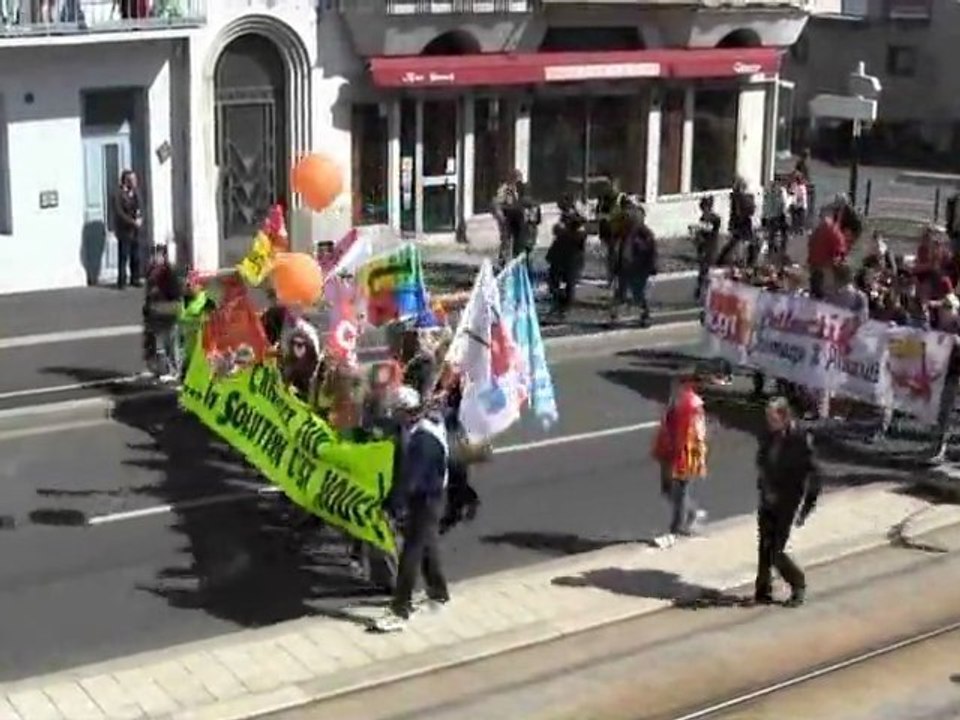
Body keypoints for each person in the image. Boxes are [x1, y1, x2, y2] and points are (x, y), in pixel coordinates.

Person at [373, 386, 450, 632]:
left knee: (411, 552)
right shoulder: (421, 427)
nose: (394, 417)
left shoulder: (423, 440)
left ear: (406, 412)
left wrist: (394, 506)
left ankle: (400, 608)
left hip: (427, 496)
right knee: (427, 542)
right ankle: (438, 593)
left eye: (396, 412)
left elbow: (410, 479)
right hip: (431, 493)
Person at [754, 397, 822, 607]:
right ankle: (763, 588)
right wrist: (764, 486)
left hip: (788, 501)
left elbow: (815, 473)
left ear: (784, 417)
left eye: (772, 418)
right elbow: (762, 460)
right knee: (764, 546)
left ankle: (798, 583)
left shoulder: (801, 438)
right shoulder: (768, 435)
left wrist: (808, 505)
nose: (768, 422)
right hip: (768, 497)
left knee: (778, 551)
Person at [652, 373, 708, 548]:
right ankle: (692, 513)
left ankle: (673, 532)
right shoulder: (675, 401)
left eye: (678, 383)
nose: (674, 387)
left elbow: (696, 434)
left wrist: (692, 456)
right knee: (668, 489)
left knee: (679, 494)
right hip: (668, 451)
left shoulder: (692, 405)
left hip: (684, 454)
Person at [610, 199, 657, 327]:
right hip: (625, 266)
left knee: (637, 293)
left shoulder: (644, 233)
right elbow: (615, 247)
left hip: (638, 267)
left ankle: (645, 315)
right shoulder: (623, 233)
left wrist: (651, 265)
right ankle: (614, 316)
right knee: (621, 292)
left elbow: (651, 250)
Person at [142, 244, 182, 382]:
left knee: (170, 342)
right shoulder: (152, 272)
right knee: (155, 343)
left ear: (164, 257)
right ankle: (158, 368)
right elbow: (148, 294)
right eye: (153, 255)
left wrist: (161, 295)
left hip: (167, 311)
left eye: (157, 255)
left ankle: (174, 370)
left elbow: (175, 293)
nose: (154, 258)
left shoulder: (168, 272)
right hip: (155, 312)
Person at [546, 194, 587, 318]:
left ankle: (563, 308)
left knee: (569, 283)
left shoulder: (578, 223)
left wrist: (564, 232)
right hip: (560, 256)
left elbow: (580, 238)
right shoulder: (565, 219)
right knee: (553, 281)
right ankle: (559, 305)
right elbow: (557, 233)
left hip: (572, 258)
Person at [113, 169, 143, 289]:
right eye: (132, 180)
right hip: (124, 230)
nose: (135, 182)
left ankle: (135, 278)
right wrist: (132, 222)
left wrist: (140, 219)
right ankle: (122, 281)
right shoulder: (119, 194)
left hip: (135, 230)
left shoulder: (136, 193)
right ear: (126, 181)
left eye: (135, 180)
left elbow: (140, 207)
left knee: (136, 255)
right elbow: (119, 212)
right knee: (123, 255)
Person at [718, 177, 756, 267]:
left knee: (736, 241)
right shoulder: (739, 197)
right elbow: (741, 211)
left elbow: (736, 211)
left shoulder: (737, 196)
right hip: (743, 222)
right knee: (745, 242)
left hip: (740, 222)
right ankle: (746, 261)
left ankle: (724, 259)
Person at [492, 169, 525, 268]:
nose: (519, 181)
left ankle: (517, 262)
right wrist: (501, 217)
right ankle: (502, 263)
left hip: (517, 218)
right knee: (506, 241)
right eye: (517, 179)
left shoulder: (520, 189)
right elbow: (496, 204)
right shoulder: (504, 189)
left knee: (518, 241)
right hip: (507, 218)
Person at [694, 195, 722, 305]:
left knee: (706, 272)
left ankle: (706, 293)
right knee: (703, 271)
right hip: (703, 248)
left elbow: (708, 229)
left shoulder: (714, 218)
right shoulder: (703, 218)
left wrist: (698, 230)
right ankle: (702, 291)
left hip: (709, 248)